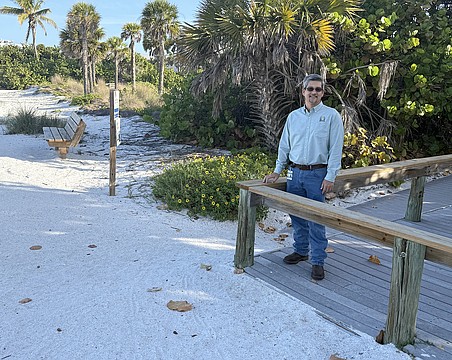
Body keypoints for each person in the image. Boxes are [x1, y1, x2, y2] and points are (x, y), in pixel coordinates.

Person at [263, 74, 344, 280]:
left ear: (322, 93)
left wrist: (331, 176)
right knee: (297, 215)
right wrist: (277, 170)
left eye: (318, 89)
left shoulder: (332, 116)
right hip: (294, 173)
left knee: (316, 218)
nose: (313, 93)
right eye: (310, 89)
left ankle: (318, 261)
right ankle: (301, 251)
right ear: (303, 92)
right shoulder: (293, 117)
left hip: (317, 175)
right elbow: (285, 146)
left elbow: (336, 149)